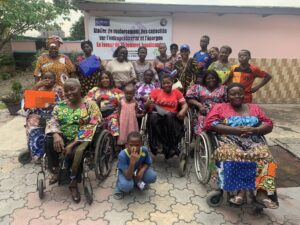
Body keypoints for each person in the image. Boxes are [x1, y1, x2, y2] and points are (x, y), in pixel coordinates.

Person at [203, 83, 278, 209]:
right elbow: (209, 124)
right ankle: (240, 191)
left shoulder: (254, 108)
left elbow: (268, 123)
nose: (237, 96)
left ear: (244, 95)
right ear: (228, 95)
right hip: (229, 139)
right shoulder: (220, 107)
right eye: (233, 93)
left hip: (253, 140)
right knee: (234, 155)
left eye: (239, 93)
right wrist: (235, 130)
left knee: (266, 157)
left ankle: (262, 193)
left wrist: (255, 130)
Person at [45, 78, 101, 203]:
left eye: (72, 89)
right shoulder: (60, 105)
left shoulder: (90, 105)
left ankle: (73, 183)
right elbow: (52, 120)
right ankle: (56, 169)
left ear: (80, 89)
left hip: (81, 138)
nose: (69, 93)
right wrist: (55, 135)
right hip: (63, 135)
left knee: (75, 152)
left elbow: (92, 125)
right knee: (48, 139)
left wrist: (73, 144)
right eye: (66, 91)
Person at [145, 75, 188, 159]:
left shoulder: (176, 92)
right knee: (153, 116)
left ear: (172, 83)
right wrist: (147, 103)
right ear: (161, 84)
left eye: (168, 83)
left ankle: (171, 146)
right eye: (164, 83)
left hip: (172, 119)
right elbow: (148, 106)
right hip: (158, 116)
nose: (166, 85)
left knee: (168, 115)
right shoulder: (156, 92)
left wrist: (183, 110)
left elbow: (184, 104)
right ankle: (157, 145)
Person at [25, 71, 64, 163]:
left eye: (50, 78)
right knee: (32, 125)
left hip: (54, 114)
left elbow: (66, 102)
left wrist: (55, 104)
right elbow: (27, 104)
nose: (47, 80)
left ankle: (50, 154)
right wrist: (36, 86)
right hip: (39, 114)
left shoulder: (59, 89)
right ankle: (38, 155)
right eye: (45, 78)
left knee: (52, 124)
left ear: (55, 80)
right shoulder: (38, 89)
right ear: (41, 80)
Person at [115, 131, 157, 199]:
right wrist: (132, 162)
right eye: (131, 145)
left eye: (137, 145)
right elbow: (128, 176)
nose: (134, 148)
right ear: (126, 145)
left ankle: (137, 181)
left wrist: (142, 171)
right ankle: (118, 186)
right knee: (127, 186)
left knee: (152, 176)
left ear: (141, 144)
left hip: (137, 170)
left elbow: (148, 162)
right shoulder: (122, 155)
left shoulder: (144, 150)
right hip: (125, 173)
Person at [186, 70, 226, 134]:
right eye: (208, 78)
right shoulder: (198, 87)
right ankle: (202, 136)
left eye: (213, 78)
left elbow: (228, 101)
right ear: (204, 79)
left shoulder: (223, 88)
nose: (211, 80)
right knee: (202, 118)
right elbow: (189, 98)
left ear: (217, 79)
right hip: (204, 111)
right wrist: (199, 105)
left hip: (219, 112)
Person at [86, 70, 123, 139]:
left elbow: (123, 103)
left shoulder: (117, 91)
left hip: (112, 114)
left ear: (110, 79)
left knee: (113, 121)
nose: (104, 80)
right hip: (96, 114)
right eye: (102, 78)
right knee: (89, 123)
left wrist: (111, 99)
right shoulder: (95, 90)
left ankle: (115, 142)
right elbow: (87, 101)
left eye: (106, 78)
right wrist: (96, 101)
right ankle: (83, 143)